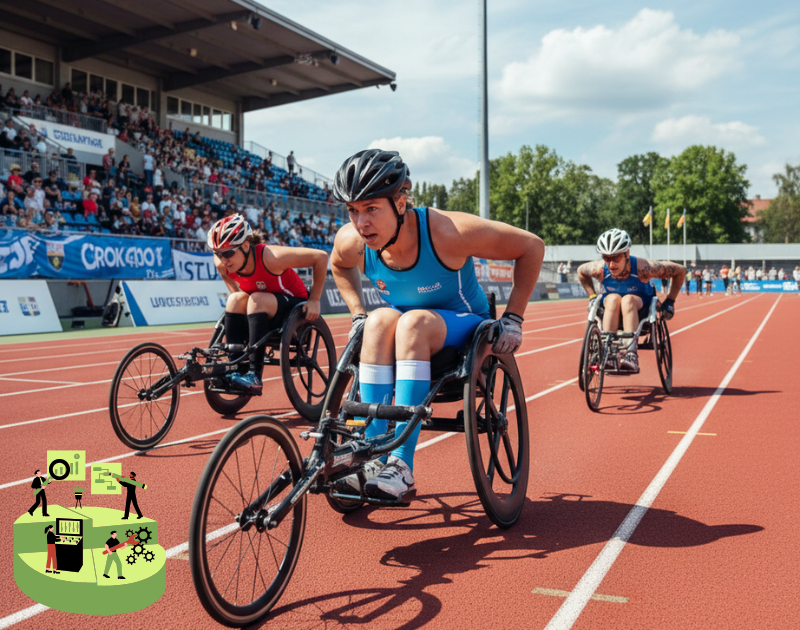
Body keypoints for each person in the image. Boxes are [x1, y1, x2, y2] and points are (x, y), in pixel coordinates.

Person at [330, 149, 544, 500]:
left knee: (412, 322)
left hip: (464, 330)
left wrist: (514, 318)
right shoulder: (352, 242)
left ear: (400, 203)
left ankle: (400, 464)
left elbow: (531, 246)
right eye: (353, 210)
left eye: (371, 209)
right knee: (377, 320)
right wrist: (357, 313)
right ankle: (372, 454)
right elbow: (338, 266)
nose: (361, 223)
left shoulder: (448, 231)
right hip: (406, 331)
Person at [210, 214, 328, 394]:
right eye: (218, 254)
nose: (223, 260)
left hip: (293, 305)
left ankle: (254, 375)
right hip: (263, 309)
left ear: (245, 246)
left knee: (257, 299)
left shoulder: (271, 257)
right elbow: (236, 291)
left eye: (228, 253)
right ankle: (235, 368)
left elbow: (321, 257)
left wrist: (314, 300)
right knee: (235, 299)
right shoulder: (222, 264)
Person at [577, 229, 686, 372]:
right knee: (612, 298)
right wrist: (592, 297)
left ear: (626, 253)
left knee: (627, 300)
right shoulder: (599, 269)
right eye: (606, 258)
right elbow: (581, 271)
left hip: (641, 309)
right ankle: (608, 354)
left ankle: (630, 355)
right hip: (611, 309)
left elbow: (680, 271)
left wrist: (670, 301)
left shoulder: (644, 268)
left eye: (616, 258)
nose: (611, 264)